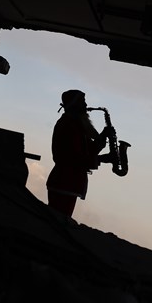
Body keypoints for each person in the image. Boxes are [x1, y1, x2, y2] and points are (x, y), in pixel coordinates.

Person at [45, 90, 108, 219]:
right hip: (64, 182)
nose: (86, 106)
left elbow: (88, 151)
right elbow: (72, 157)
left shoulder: (75, 125)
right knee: (58, 224)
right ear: (75, 105)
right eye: (82, 102)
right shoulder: (68, 125)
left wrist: (102, 138)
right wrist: (101, 158)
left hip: (68, 183)